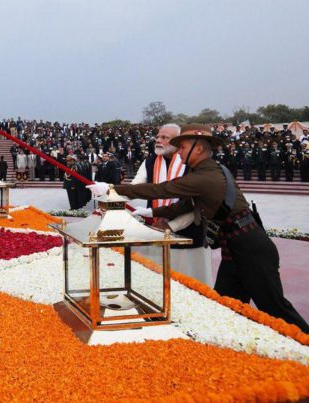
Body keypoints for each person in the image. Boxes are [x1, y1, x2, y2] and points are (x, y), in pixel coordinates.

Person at [87, 124, 309, 332]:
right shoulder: (207, 171)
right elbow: (187, 205)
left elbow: (161, 189)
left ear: (199, 148)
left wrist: (112, 188)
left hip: (251, 249)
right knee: (226, 305)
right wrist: (151, 212)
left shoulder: (204, 177)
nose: (179, 151)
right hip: (235, 247)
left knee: (275, 309)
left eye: (183, 147)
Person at [130, 123, 212, 286]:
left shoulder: (194, 164)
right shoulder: (150, 161)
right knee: (158, 283)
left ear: (178, 142)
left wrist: (171, 226)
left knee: (188, 285)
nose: (158, 140)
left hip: (187, 235)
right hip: (157, 230)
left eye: (165, 137)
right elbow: (135, 187)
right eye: (158, 137)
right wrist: (112, 193)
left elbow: (196, 206)